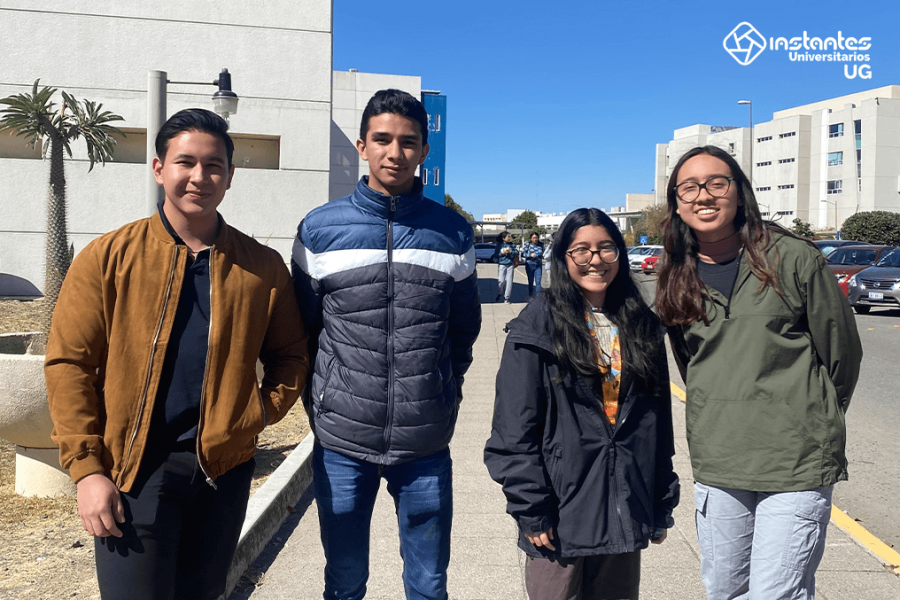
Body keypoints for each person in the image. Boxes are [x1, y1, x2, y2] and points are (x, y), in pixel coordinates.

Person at [45, 108, 309, 600]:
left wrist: (255, 413)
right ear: (158, 168)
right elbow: (69, 366)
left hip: (222, 475)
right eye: (185, 162)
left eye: (213, 165)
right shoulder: (108, 257)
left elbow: (291, 356)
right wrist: (88, 470)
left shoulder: (262, 267)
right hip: (133, 472)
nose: (199, 177)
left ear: (230, 175)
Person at [292, 89, 481, 600]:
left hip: (425, 441)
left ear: (423, 151)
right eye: (382, 139)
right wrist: (323, 400)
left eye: (408, 141)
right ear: (362, 146)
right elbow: (303, 332)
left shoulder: (452, 233)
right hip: (342, 441)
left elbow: (463, 330)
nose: (394, 152)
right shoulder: (319, 230)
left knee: (428, 584)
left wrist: (442, 391)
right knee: (345, 580)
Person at [655, 145, 863, 600]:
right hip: (720, 458)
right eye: (688, 187)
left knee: (776, 594)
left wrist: (815, 418)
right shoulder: (676, 272)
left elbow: (842, 354)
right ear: (676, 203)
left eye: (717, 183)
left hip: (796, 460)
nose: (703, 196)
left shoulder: (794, 258)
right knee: (725, 590)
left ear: (739, 192)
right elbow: (692, 364)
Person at [484, 208, 679, 600]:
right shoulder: (537, 325)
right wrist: (531, 508)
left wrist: (660, 500)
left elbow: (657, 426)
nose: (595, 259)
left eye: (606, 248)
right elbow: (512, 431)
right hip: (562, 517)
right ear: (563, 257)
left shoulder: (641, 324)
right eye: (582, 250)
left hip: (625, 508)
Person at [493, 230, 519, 303]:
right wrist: (501, 253)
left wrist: (511, 251)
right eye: (508, 236)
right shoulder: (499, 245)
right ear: (503, 238)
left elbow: (517, 252)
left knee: (509, 281)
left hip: (510, 264)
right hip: (502, 264)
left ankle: (507, 298)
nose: (509, 238)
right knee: (501, 281)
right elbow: (496, 255)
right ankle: (499, 293)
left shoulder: (512, 245)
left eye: (510, 236)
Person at [522, 231, 545, 297]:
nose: (535, 239)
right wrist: (530, 255)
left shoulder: (541, 244)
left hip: (538, 265)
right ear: (531, 238)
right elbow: (523, 254)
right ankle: (531, 295)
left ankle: (538, 296)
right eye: (533, 238)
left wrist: (541, 255)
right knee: (531, 281)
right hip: (530, 265)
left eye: (536, 237)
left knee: (538, 281)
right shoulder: (527, 244)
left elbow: (545, 253)